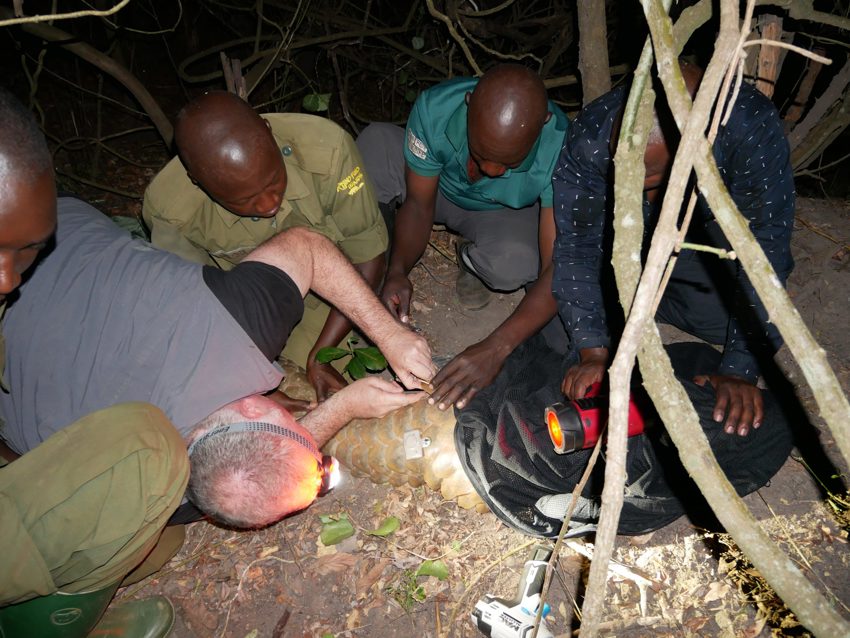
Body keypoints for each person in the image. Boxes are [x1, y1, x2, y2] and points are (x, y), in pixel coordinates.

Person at [0, 89, 433, 636]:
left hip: (48, 229)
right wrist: (342, 407)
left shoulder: (231, 322)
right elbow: (237, 479)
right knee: (149, 549)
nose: (286, 401)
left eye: (286, 419)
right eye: (286, 412)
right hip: (46, 240)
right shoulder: (131, 491)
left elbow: (305, 245)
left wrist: (385, 343)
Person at [552, 61, 795, 437]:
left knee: (721, 322)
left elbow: (767, 247)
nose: (628, 185)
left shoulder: (748, 127)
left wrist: (739, 369)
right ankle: (635, 301)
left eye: (644, 174)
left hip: (703, 237)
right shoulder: (593, 132)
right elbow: (578, 243)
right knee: (571, 304)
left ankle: (655, 300)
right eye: (621, 169)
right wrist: (594, 350)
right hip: (624, 243)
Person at [143, 91, 389, 403]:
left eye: (274, 181)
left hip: (332, 296)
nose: (270, 204)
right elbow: (194, 310)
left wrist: (321, 356)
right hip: (244, 310)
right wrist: (248, 391)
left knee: (329, 397)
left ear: (270, 133)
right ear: (197, 181)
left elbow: (368, 256)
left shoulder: (327, 151)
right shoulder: (171, 211)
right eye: (243, 201)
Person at [356, 63, 570, 411]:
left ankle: (469, 258)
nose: (490, 170)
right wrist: (398, 270)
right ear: (468, 105)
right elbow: (418, 204)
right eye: (482, 153)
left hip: (495, 210)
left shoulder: (563, 147)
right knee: (375, 144)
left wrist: (496, 348)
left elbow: (557, 270)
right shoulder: (436, 108)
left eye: (507, 162)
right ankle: (371, 263)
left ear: (542, 126)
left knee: (516, 262)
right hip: (430, 187)